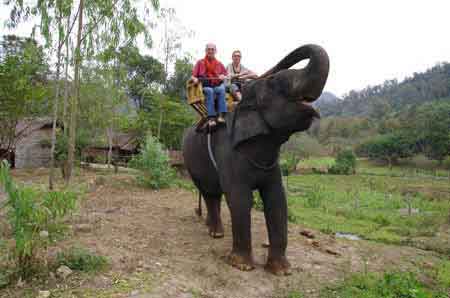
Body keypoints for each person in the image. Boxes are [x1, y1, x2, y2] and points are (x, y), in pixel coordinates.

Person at [191, 43, 228, 127]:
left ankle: (221, 116)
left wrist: (223, 76)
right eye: (208, 49)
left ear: (215, 51)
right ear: (206, 51)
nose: (210, 51)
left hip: (215, 86)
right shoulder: (200, 62)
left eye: (212, 49)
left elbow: (225, 75)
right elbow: (193, 76)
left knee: (221, 89)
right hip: (204, 87)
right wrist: (195, 79)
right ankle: (211, 118)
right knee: (209, 90)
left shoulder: (219, 63)